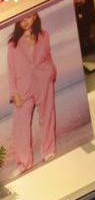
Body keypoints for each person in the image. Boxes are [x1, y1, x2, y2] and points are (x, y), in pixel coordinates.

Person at [7, 12, 57, 177]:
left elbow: (48, 56)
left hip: (43, 82)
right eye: (21, 19)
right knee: (21, 126)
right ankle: (24, 162)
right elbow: (11, 71)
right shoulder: (13, 44)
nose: (25, 22)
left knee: (47, 116)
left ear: (35, 17)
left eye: (28, 17)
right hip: (23, 89)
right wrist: (14, 93)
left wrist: (52, 73)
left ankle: (48, 150)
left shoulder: (44, 35)